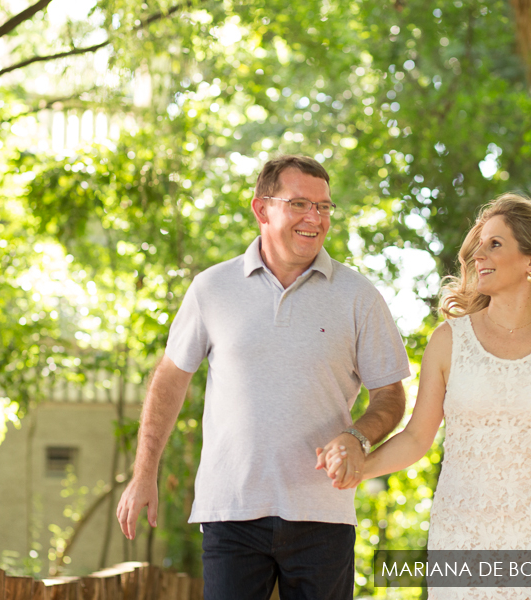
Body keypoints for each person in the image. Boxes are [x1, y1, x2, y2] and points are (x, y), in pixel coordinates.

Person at [116, 155, 411, 599]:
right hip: (231, 510)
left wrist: (357, 437)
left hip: (321, 515)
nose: (315, 218)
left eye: (324, 207)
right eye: (299, 205)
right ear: (262, 209)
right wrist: (144, 473)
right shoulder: (212, 288)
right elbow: (170, 380)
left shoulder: (358, 296)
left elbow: (390, 397)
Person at [325, 193, 531, 599]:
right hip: (462, 531)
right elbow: (416, 439)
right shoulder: (449, 342)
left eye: (495, 244)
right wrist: (359, 469)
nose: (479, 254)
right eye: (478, 245)